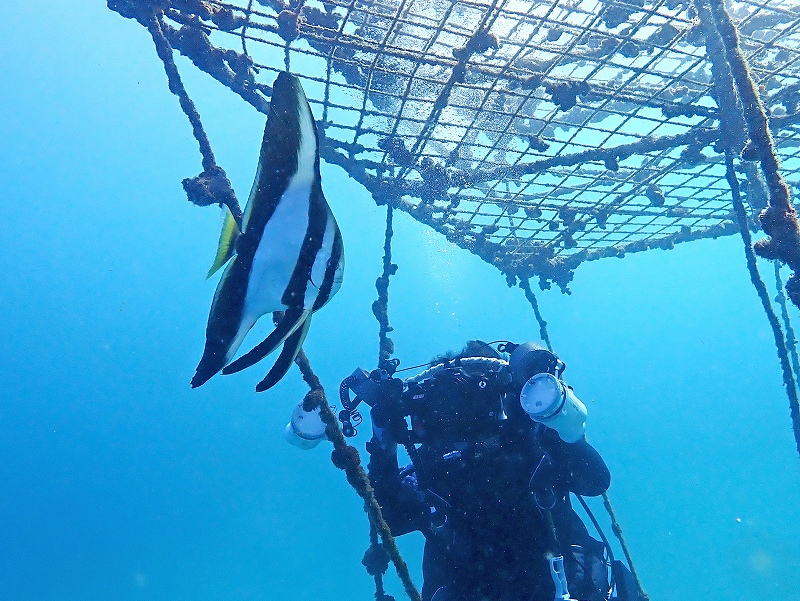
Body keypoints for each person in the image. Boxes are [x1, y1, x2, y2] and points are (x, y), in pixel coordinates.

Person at [365, 341, 612, 601]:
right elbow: (390, 518)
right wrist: (384, 443)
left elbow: (595, 481)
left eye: (469, 396)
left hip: (562, 585)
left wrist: (560, 422)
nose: (457, 413)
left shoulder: (531, 443)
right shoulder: (431, 469)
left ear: (500, 395)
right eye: (445, 400)